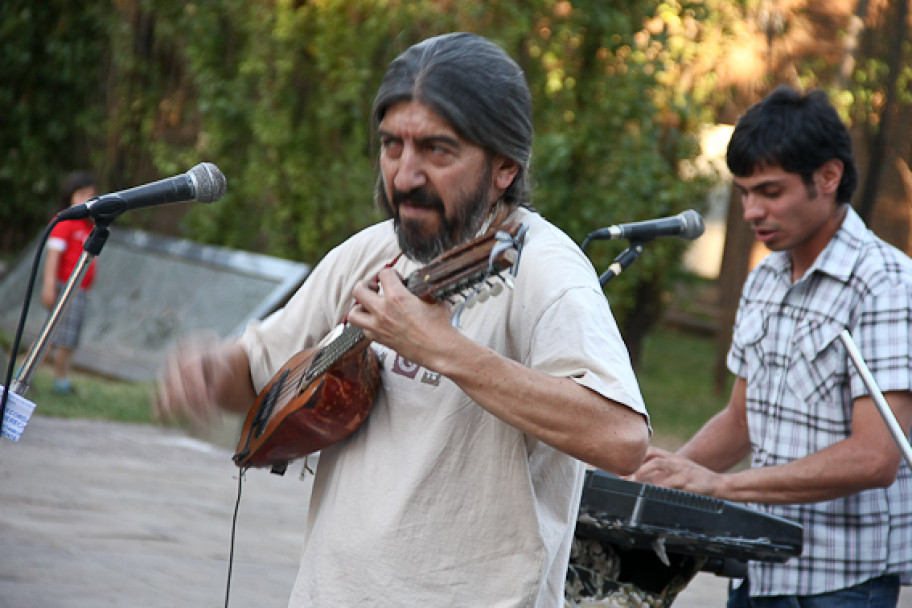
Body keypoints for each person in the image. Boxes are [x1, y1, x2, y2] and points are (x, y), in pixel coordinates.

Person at [155, 32, 650, 607]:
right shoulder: (369, 252)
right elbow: (256, 372)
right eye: (393, 146)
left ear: (505, 167)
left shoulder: (547, 271)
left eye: (437, 151)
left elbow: (621, 439)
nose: (406, 175)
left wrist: (446, 350)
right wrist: (210, 372)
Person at [635, 85, 912, 607]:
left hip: (842, 585)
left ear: (828, 177)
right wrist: (660, 483)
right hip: (759, 572)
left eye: (770, 191)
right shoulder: (765, 280)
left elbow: (875, 457)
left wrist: (721, 487)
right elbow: (742, 421)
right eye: (743, 193)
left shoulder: (887, 283)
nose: (751, 210)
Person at [41, 170, 99, 394]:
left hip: (79, 291)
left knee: (63, 338)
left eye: (91, 195)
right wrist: (48, 286)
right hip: (65, 288)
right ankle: (54, 380)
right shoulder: (65, 222)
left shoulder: (86, 226)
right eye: (82, 194)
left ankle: (59, 378)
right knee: (57, 339)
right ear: (70, 196)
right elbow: (53, 256)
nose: (87, 200)